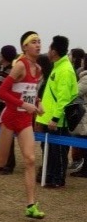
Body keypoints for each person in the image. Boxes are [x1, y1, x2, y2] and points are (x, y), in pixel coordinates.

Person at [0, 31, 45, 219]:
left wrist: (38, 102)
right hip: (10, 117)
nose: (38, 45)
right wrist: (23, 104)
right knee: (2, 161)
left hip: (25, 120)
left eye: (39, 42)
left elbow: (30, 91)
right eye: (33, 42)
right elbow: (1, 92)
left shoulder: (38, 68)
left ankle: (30, 205)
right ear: (24, 47)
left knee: (30, 159)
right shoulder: (20, 66)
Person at [35, 35, 78, 188]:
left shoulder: (65, 70)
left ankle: (58, 179)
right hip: (50, 118)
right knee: (51, 150)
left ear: (54, 51)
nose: (47, 51)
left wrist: (54, 118)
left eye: (49, 48)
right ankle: (50, 175)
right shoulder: (57, 67)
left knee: (59, 150)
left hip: (58, 121)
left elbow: (64, 98)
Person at [0, 45, 18, 174]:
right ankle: (0, 161)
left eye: (1, 54)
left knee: (7, 137)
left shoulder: (12, 71)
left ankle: (9, 164)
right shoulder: (1, 69)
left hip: (5, 107)